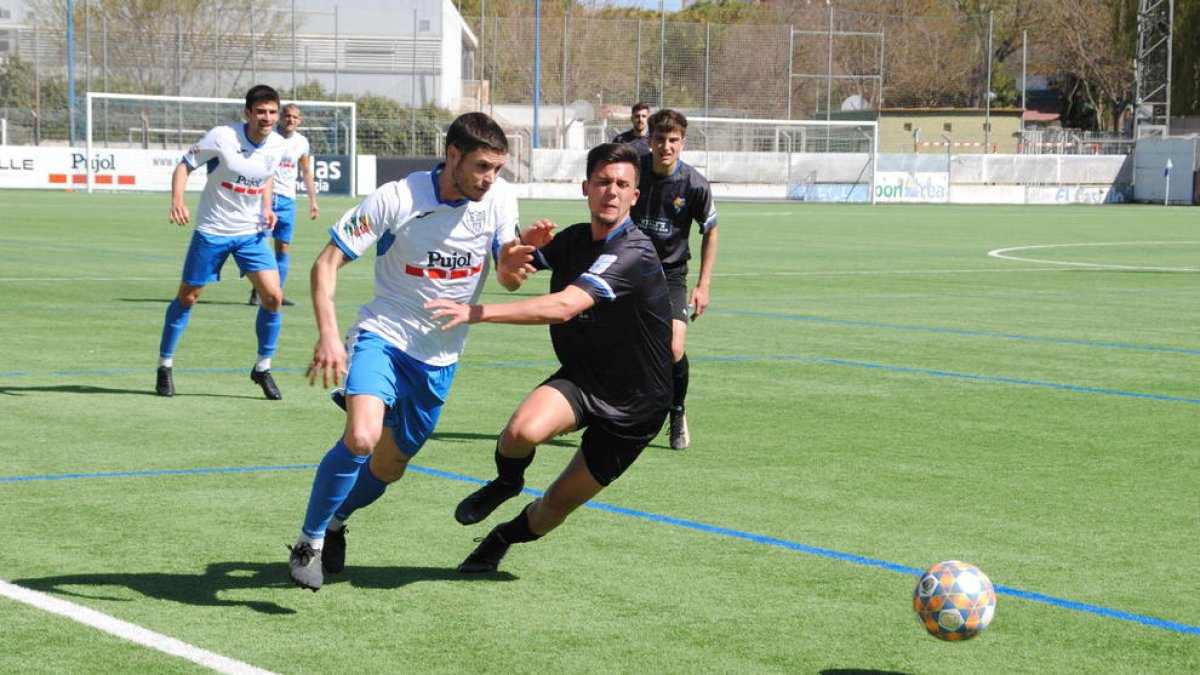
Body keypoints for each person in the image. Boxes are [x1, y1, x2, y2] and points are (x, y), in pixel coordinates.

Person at [287, 112, 553, 591]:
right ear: (452, 155)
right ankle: (309, 542)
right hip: (383, 334)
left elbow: (509, 277)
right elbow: (326, 264)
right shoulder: (398, 198)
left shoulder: (499, 199)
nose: (490, 178)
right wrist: (329, 334)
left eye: (497, 168)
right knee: (363, 437)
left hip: (441, 357)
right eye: (481, 167)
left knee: (389, 467)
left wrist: (516, 262)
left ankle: (336, 520)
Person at [425, 142, 673, 574]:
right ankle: (506, 481)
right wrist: (514, 252)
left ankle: (501, 538)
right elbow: (512, 279)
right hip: (583, 380)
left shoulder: (634, 251)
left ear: (635, 196)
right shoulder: (574, 238)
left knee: (551, 511)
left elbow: (564, 306)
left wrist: (475, 312)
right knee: (520, 432)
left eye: (621, 184)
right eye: (602, 182)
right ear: (586, 187)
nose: (610, 192)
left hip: (636, 407)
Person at [157, 84, 287, 400]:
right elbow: (184, 166)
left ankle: (262, 367)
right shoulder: (222, 137)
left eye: (272, 112)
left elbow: (267, 175)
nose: (267, 118)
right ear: (247, 113)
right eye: (261, 112)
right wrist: (178, 200)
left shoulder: (278, 144)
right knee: (188, 297)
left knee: (273, 297)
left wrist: (267, 208)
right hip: (212, 231)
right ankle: (165, 365)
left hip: (252, 233)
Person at [630, 108, 718, 450]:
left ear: (683, 142)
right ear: (649, 140)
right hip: (629, 270)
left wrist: (704, 284)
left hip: (670, 274)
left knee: (673, 347)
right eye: (660, 139)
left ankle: (676, 411)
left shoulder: (694, 185)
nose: (666, 146)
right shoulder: (634, 171)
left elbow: (710, 231)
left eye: (673, 140)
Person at [249, 103, 320, 307]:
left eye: (295, 117)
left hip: (288, 200)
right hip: (267, 197)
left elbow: (306, 172)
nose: (291, 120)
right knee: (263, 244)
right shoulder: (269, 137)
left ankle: (276, 292)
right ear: (281, 117)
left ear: (300, 120)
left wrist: (313, 200)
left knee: (283, 246)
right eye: (288, 116)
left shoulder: (302, 143)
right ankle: (258, 291)